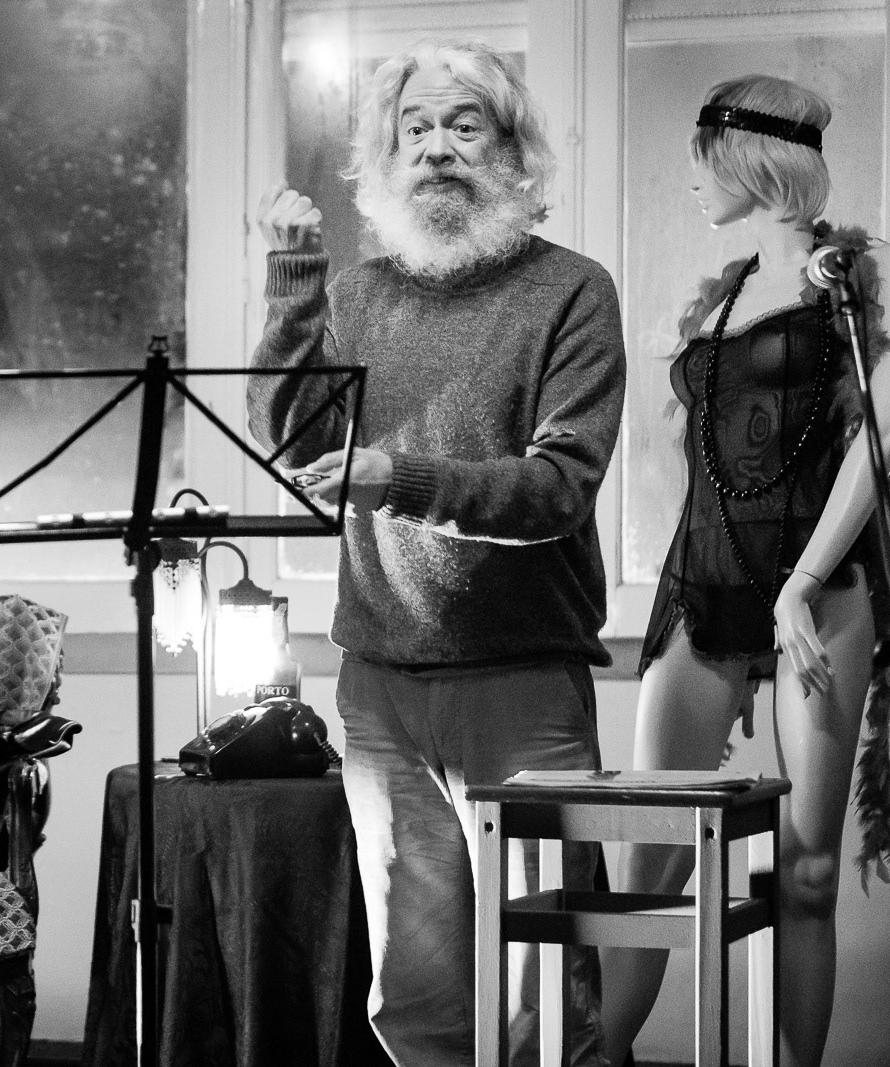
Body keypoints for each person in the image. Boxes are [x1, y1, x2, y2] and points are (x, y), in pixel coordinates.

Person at [247, 37, 625, 1066]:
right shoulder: (359, 294)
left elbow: (558, 489)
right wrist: (292, 282)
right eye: (414, 129)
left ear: (512, 149)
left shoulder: (572, 290)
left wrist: (399, 479)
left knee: (546, 1002)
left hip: (522, 684)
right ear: (386, 155)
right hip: (380, 689)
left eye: (463, 124)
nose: (436, 148)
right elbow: (296, 444)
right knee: (414, 1001)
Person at [601, 75, 880, 1067]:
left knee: (805, 871)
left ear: (748, 160)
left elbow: (880, 438)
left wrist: (802, 579)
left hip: (820, 586)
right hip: (705, 575)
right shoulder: (716, 296)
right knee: (645, 862)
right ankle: (600, 1054)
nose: (689, 180)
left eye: (701, 159)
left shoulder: (852, 281)